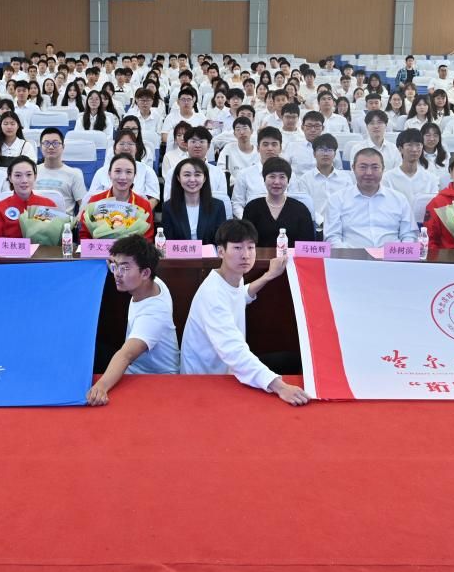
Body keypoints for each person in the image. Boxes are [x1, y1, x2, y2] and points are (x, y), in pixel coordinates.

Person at [180, 219, 308, 406]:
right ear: (221, 251)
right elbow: (234, 350)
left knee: (293, 359)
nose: (246, 255)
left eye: (250, 247)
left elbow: (240, 295)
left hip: (226, 367)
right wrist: (280, 387)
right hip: (206, 379)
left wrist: (269, 276)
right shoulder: (213, 294)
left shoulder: (231, 276)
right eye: (237, 248)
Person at [87, 235, 181, 405]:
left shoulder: (152, 316)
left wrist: (101, 387)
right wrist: (117, 264)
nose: (117, 274)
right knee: (88, 347)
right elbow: (121, 266)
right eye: (115, 266)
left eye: (124, 268)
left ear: (145, 273)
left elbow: (126, 355)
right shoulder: (153, 282)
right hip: (138, 366)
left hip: (154, 379)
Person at [325, 148, 418, 247]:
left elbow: (409, 235)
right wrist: (347, 254)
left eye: (375, 167)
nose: (369, 173)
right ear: (353, 168)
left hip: (391, 255)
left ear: (383, 169)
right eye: (363, 167)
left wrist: (400, 254)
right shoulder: (337, 199)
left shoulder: (399, 199)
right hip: (351, 255)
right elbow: (332, 237)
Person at [241, 157, 317, 247]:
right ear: (264, 179)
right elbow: (245, 242)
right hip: (259, 256)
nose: (277, 182)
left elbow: (307, 246)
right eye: (272, 176)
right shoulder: (252, 208)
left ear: (288, 180)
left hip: (292, 256)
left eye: (282, 177)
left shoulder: (301, 209)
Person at [81, 153, 155, 241]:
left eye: (128, 172)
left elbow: (148, 238)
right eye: (117, 171)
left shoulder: (143, 205)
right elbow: (84, 235)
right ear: (109, 174)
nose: (123, 177)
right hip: (100, 249)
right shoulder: (95, 201)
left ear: (134, 176)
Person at [0, 156, 58, 243]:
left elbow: (56, 241)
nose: (24, 180)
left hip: (42, 252)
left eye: (29, 175)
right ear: (10, 178)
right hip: (9, 252)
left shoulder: (48, 205)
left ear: (35, 177)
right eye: (18, 175)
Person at [161, 157, 227, 244]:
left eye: (197, 175)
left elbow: (221, 242)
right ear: (178, 178)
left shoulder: (218, 206)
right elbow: (168, 242)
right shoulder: (168, 207)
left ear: (204, 178)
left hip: (209, 253)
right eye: (187, 175)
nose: (192, 180)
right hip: (180, 253)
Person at [34, 127, 88, 215]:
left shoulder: (74, 174)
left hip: (64, 221)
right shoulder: (32, 172)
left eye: (55, 143)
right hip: (35, 219)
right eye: (46, 143)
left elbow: (84, 205)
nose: (51, 147)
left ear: (63, 147)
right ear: (40, 147)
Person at [383, 128, 438, 204]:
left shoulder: (431, 178)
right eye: (409, 145)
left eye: (418, 145)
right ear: (400, 149)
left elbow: (434, 204)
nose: (414, 149)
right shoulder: (388, 178)